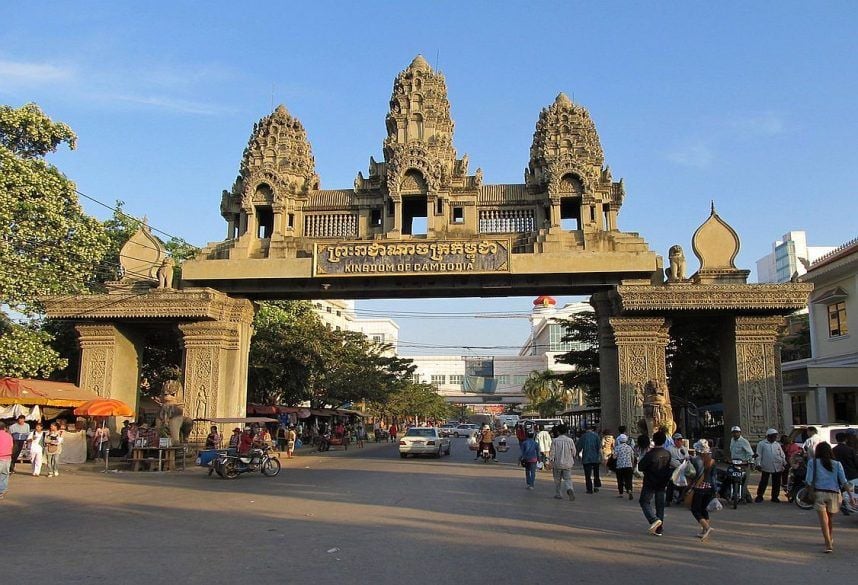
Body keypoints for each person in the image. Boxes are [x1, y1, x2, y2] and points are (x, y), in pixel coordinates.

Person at [806, 442, 853, 553]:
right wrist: (851, 496)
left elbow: (808, 480)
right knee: (829, 519)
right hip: (834, 494)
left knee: (823, 520)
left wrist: (808, 491)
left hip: (819, 493)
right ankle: (830, 538)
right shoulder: (837, 464)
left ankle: (828, 544)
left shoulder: (812, 463)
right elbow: (843, 481)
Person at [637, 430, 672, 536]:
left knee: (644, 501)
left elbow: (641, 466)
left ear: (654, 441)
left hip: (650, 481)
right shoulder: (667, 453)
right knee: (660, 505)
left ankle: (654, 519)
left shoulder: (651, 454)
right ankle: (659, 528)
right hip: (662, 482)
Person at [689, 439, 718, 540]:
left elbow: (695, 474)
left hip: (699, 488)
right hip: (709, 488)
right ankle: (704, 530)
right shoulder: (712, 461)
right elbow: (714, 478)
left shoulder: (697, 460)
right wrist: (715, 491)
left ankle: (707, 527)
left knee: (695, 509)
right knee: (704, 509)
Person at [755, 428, 787, 503]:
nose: (775, 438)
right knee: (764, 481)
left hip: (777, 465)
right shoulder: (762, 444)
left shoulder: (777, 444)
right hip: (766, 465)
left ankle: (775, 496)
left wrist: (784, 463)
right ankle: (760, 495)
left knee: (776, 482)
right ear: (768, 436)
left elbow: (782, 455)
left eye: (775, 436)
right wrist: (758, 464)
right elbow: (758, 455)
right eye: (773, 436)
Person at [550, 424, 577, 500]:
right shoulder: (570, 440)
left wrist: (550, 461)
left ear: (558, 432)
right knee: (568, 479)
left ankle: (558, 494)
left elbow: (552, 453)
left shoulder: (555, 441)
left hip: (557, 464)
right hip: (568, 464)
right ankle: (569, 489)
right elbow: (574, 452)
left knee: (557, 479)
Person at [729, 425, 754, 502]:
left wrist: (751, 462)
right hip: (735, 464)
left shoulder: (744, 442)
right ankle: (748, 497)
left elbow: (750, 453)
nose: (735, 434)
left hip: (744, 464)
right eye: (733, 432)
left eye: (737, 432)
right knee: (734, 479)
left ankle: (743, 498)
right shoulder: (732, 440)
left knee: (744, 481)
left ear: (740, 433)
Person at [576, 426, 602, 494]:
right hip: (595, 457)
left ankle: (589, 489)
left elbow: (578, 446)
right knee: (596, 473)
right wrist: (600, 456)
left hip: (586, 458)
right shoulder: (596, 436)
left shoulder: (583, 437)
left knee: (588, 475)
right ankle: (596, 486)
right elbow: (599, 447)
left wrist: (577, 455)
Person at [666, 432, 690, 505]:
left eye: (681, 440)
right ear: (674, 441)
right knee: (671, 483)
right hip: (673, 469)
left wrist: (683, 462)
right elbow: (670, 460)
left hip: (683, 469)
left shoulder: (684, 449)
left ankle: (681, 498)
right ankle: (668, 500)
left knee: (684, 483)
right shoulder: (669, 449)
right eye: (678, 440)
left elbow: (687, 458)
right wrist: (679, 464)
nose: (680, 442)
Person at [613, 434, 635, 500]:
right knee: (629, 479)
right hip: (628, 466)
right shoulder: (629, 447)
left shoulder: (617, 448)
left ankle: (621, 493)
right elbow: (632, 457)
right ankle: (630, 490)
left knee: (620, 480)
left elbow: (614, 457)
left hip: (620, 466)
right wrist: (632, 464)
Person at [0, 422, 13, 499]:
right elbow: (11, 446)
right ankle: (1, 492)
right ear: (4, 428)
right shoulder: (9, 436)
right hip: (7, 458)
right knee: (4, 475)